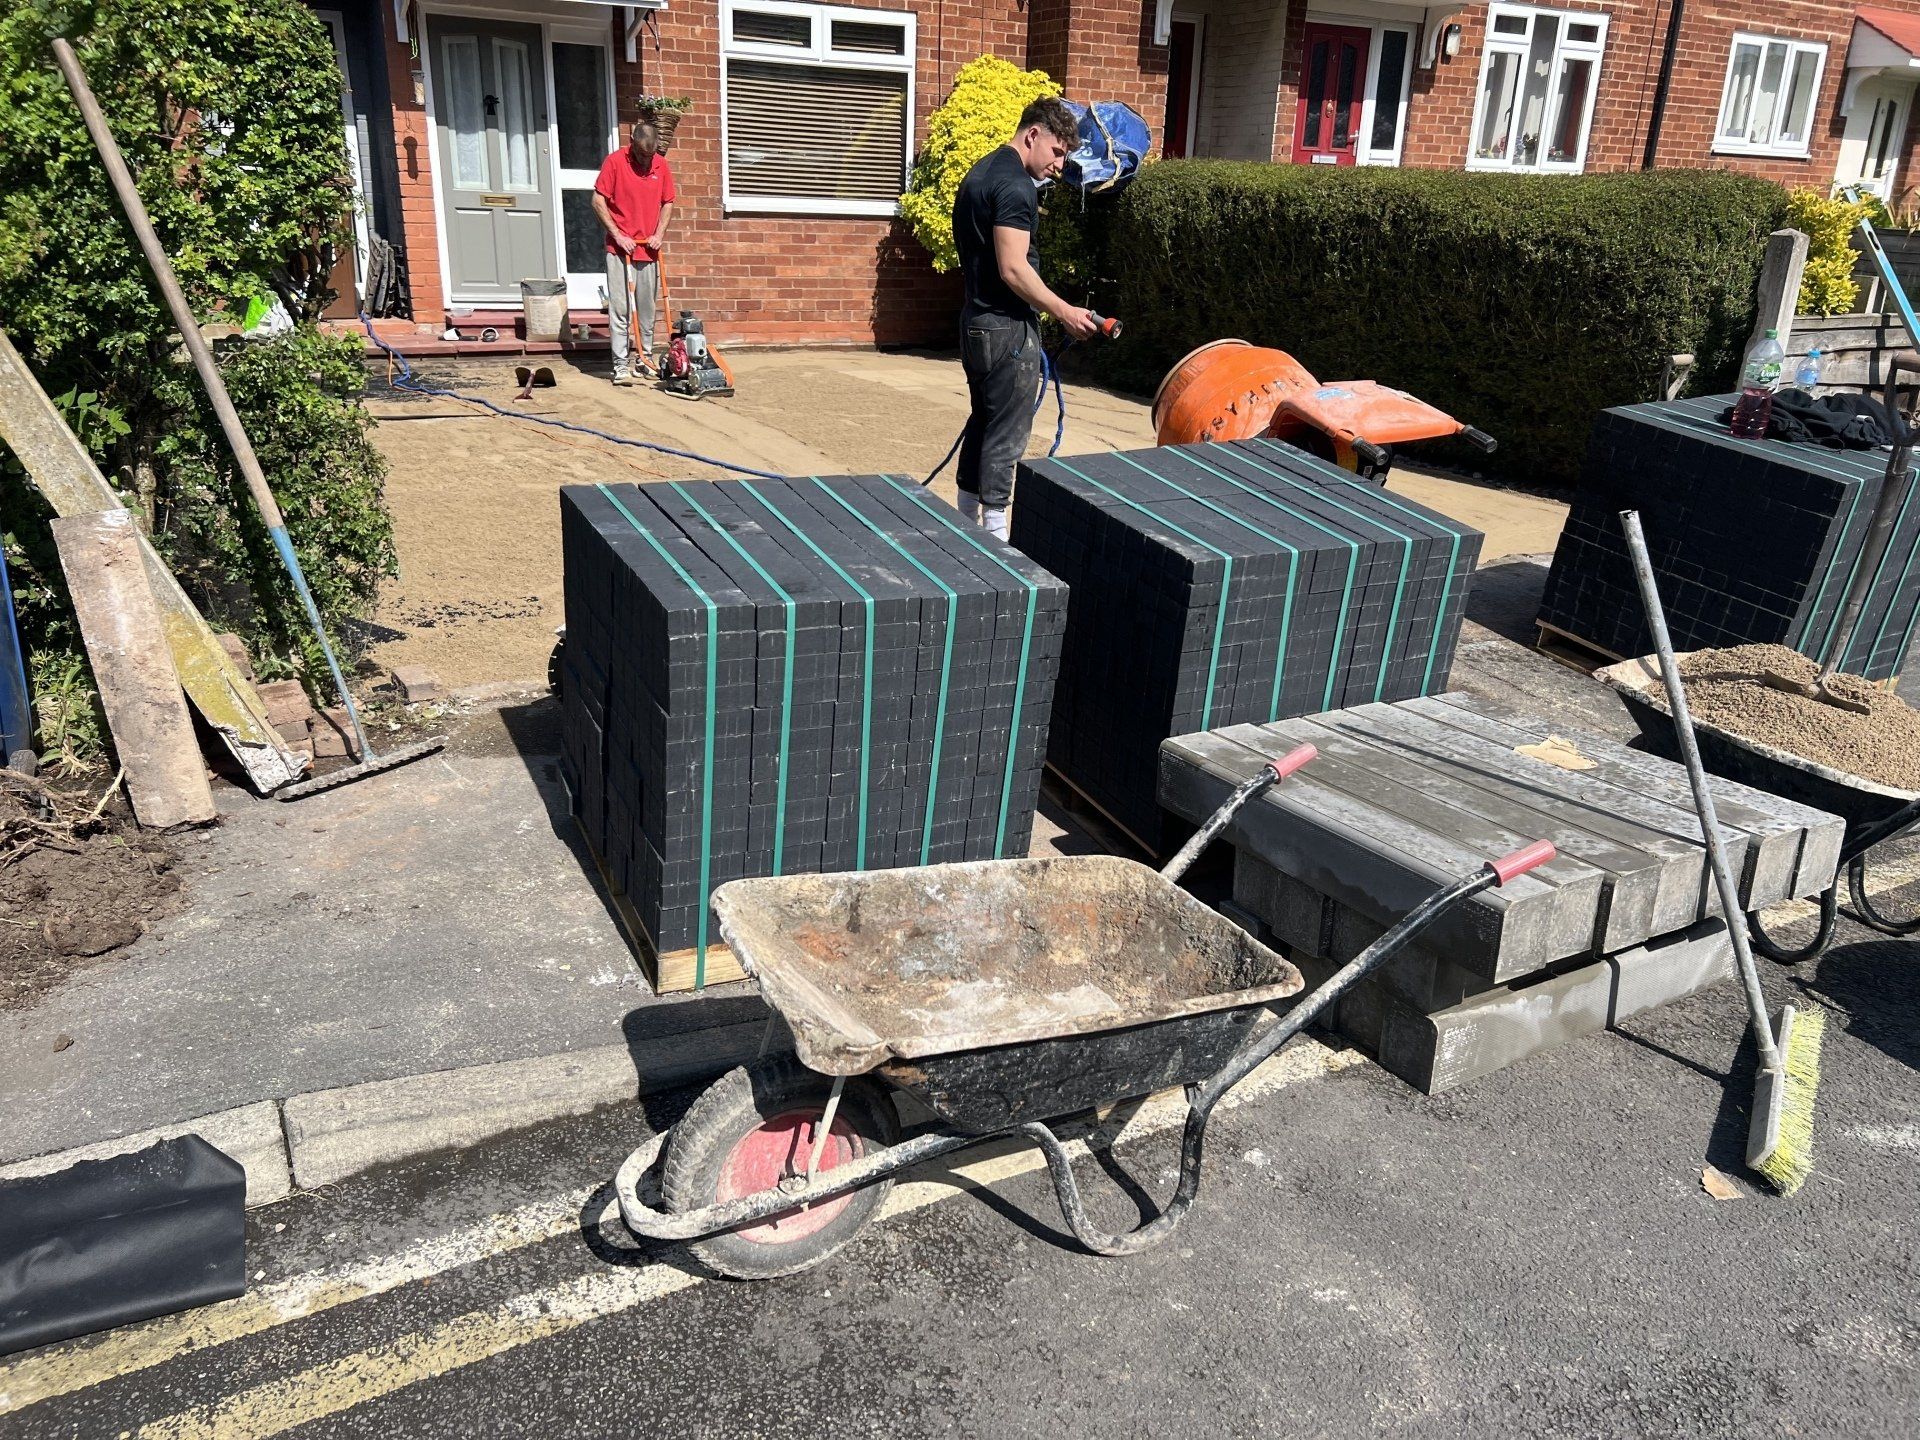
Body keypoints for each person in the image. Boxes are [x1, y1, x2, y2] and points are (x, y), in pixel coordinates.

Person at [950, 97, 1098, 539]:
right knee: (1008, 431)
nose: (1059, 166)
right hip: (1005, 328)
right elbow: (1013, 268)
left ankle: (964, 523)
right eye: (1057, 152)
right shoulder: (1015, 186)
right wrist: (1065, 311)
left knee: (983, 419)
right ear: (1033, 135)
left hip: (976, 321)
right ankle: (996, 536)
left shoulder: (980, 172)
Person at [593, 118, 676, 386]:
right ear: (632, 144)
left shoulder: (661, 165)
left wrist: (659, 234)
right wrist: (618, 235)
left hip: (648, 250)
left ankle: (645, 359)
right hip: (620, 250)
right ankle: (620, 365)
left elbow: (668, 202)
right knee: (621, 310)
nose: (645, 160)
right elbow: (597, 201)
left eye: (650, 155)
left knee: (647, 310)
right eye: (641, 154)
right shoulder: (615, 162)